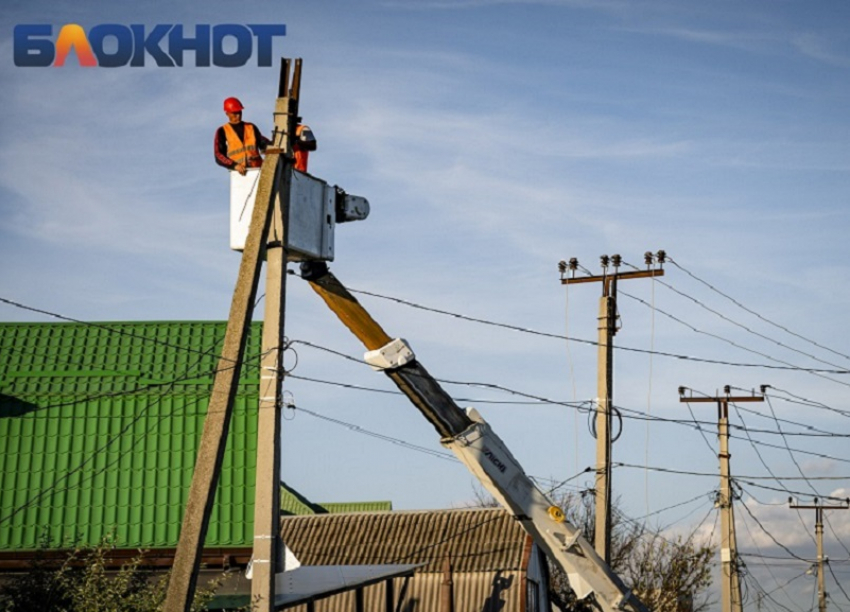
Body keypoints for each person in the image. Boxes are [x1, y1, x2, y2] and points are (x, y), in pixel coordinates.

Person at [214, 97, 271, 175]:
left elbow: (263, 143)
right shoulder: (222, 131)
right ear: (227, 113)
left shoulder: (251, 127)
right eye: (235, 113)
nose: (238, 115)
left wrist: (273, 146)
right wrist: (234, 165)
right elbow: (219, 155)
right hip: (238, 174)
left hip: (257, 170)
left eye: (240, 112)